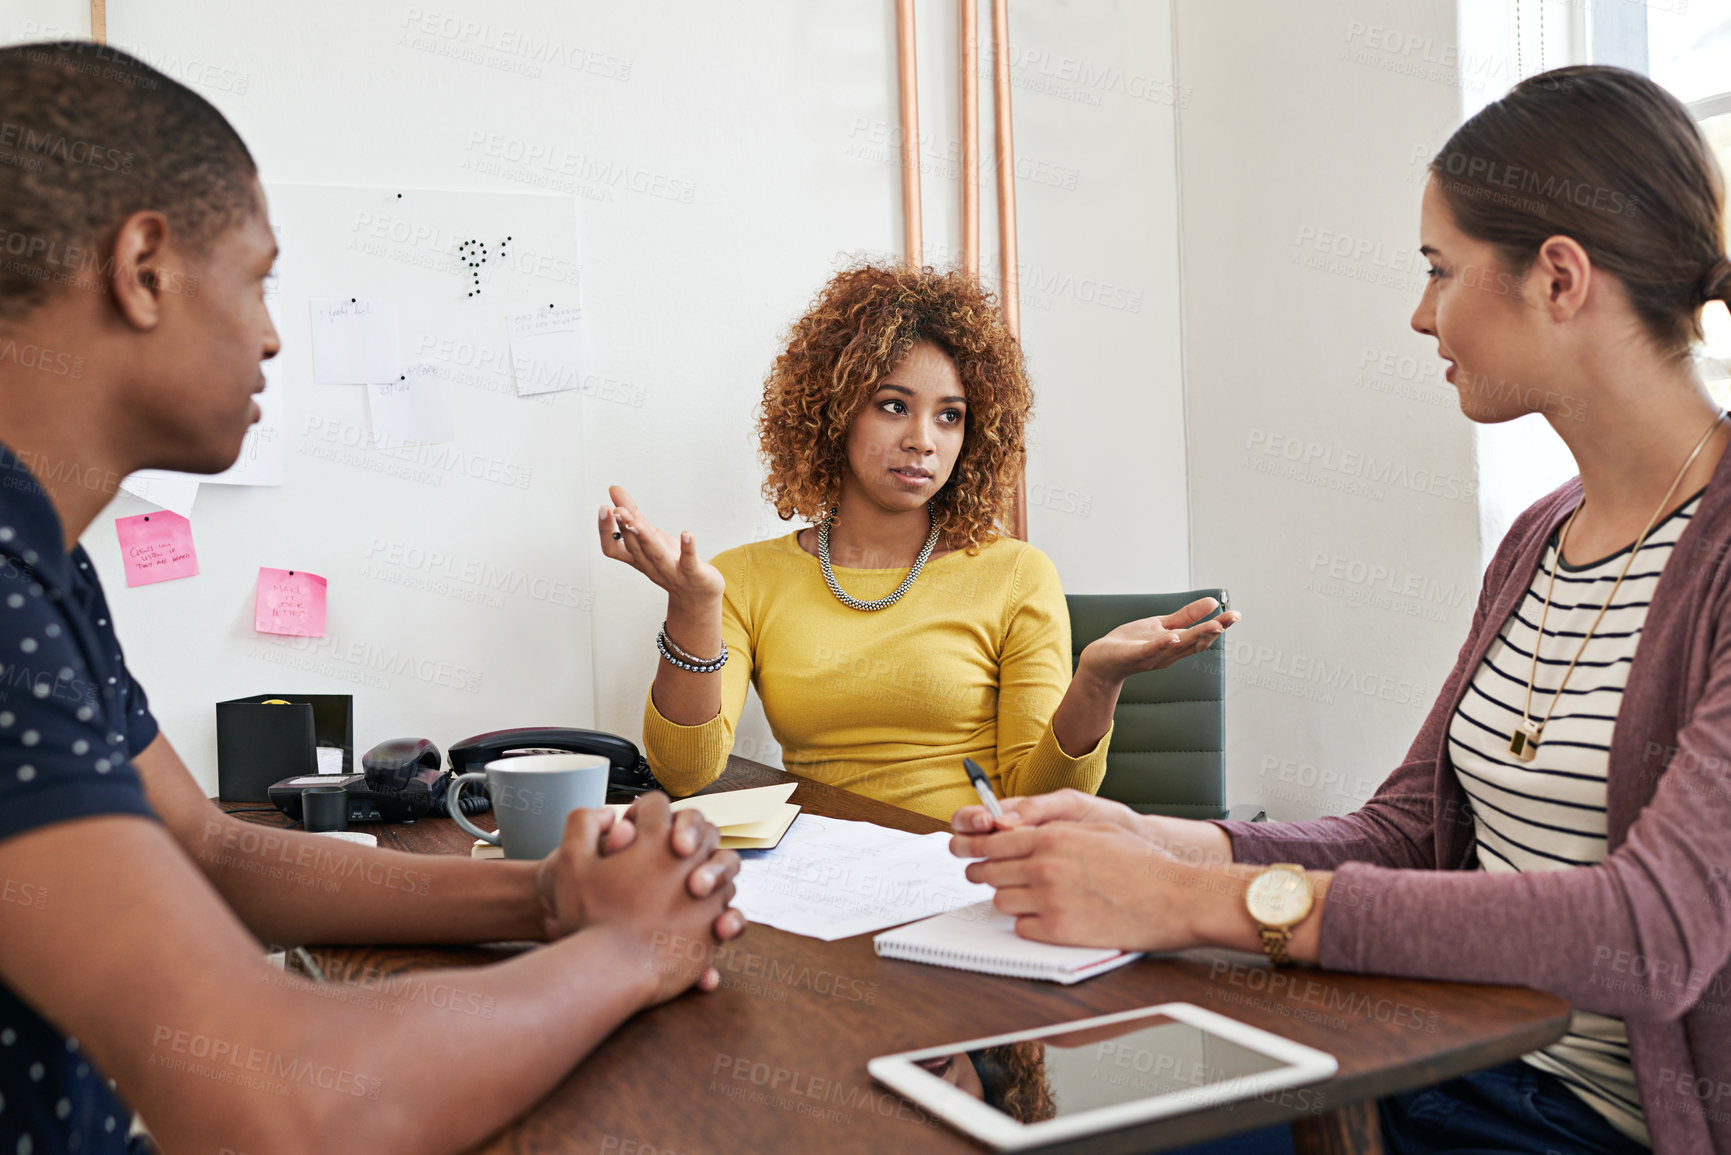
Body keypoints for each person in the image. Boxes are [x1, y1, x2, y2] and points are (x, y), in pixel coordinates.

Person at [950, 64, 1731, 1155]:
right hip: (1440, 1063)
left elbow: (1654, 934)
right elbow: (1404, 833)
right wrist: (1164, 844)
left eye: (1440, 270)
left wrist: (1191, 907)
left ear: (1559, 279)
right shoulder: (1539, 540)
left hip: (1592, 1126)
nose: (1421, 315)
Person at [0, 42, 745, 1155]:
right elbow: (289, 1106)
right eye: (257, 277)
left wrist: (545, 898)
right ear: (144, 266)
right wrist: (629, 954)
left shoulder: (47, 568)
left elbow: (203, 849)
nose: (272, 333)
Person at [600, 265, 1239, 820]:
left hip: (962, 869)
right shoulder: (742, 578)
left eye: (950, 415)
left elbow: (1037, 798)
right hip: (815, 873)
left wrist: (1097, 679)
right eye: (893, 405)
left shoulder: (1016, 574)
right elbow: (688, 773)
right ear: (834, 412)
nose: (923, 441)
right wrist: (691, 607)